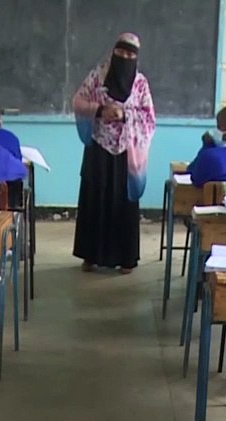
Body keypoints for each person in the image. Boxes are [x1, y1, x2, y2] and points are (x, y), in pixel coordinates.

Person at [71, 32, 156, 274]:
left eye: (130, 54)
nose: (124, 57)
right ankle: (90, 255)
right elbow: (77, 102)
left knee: (123, 203)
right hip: (99, 148)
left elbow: (149, 118)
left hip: (126, 153)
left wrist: (124, 115)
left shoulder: (140, 83)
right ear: (113, 51)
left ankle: (126, 258)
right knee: (94, 198)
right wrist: (99, 110)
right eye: (121, 52)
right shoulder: (97, 76)